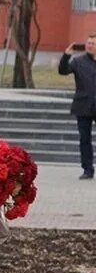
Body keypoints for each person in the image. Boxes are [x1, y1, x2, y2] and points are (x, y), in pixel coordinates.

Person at [58, 33, 96, 180]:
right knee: (84, 140)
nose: (90, 46)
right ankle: (87, 169)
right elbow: (63, 71)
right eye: (89, 43)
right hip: (83, 106)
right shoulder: (78, 61)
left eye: (93, 43)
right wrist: (66, 56)